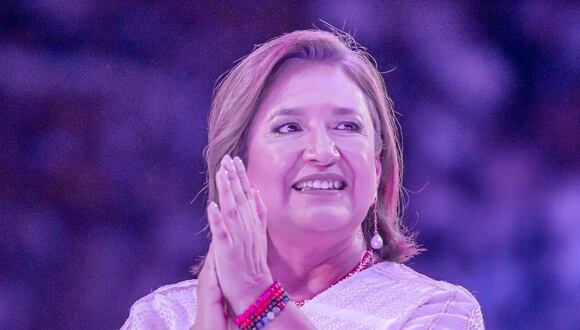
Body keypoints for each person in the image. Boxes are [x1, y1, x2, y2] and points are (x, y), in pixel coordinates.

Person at [121, 29, 484, 329]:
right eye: (289, 127)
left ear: (376, 170)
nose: (323, 152)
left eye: (347, 126)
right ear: (239, 167)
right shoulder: (164, 318)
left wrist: (257, 298)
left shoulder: (436, 311)